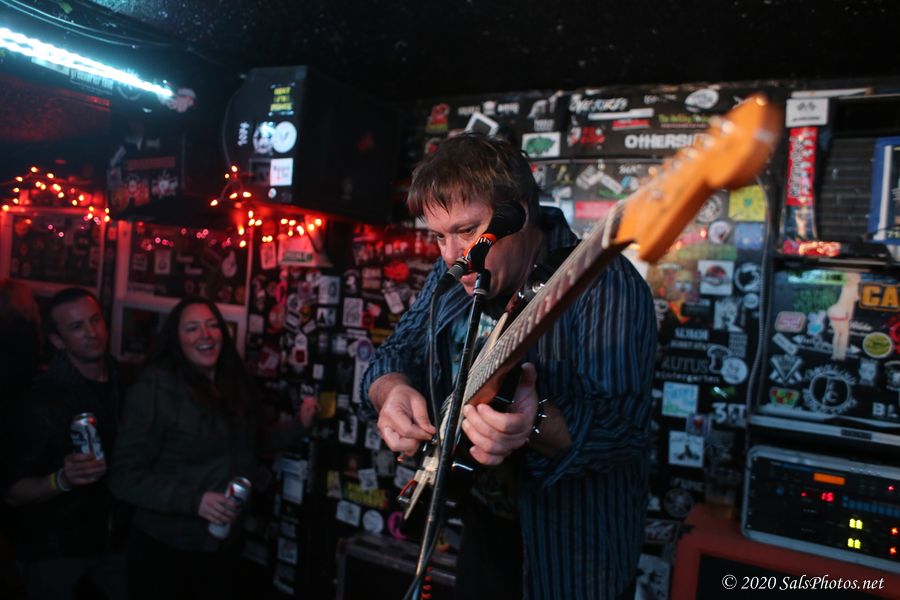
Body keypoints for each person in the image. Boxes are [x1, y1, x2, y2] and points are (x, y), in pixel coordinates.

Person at [361, 133, 657, 600]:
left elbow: (625, 431)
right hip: (482, 528)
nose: (451, 255)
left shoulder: (601, 282)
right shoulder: (455, 272)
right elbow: (395, 353)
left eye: (466, 231)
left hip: (574, 551)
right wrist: (391, 390)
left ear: (517, 214)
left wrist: (533, 421)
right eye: (438, 236)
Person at [110, 296, 316, 600]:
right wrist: (196, 501)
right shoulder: (154, 388)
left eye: (212, 325)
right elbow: (123, 478)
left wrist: (299, 425)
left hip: (223, 546)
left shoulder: (232, 381)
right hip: (167, 549)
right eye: (192, 328)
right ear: (176, 338)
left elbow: (252, 444)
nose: (205, 335)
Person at [1, 287, 126, 600]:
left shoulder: (127, 382)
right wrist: (62, 479)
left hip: (117, 541)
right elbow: (13, 491)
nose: (91, 332)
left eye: (95, 320)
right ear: (57, 341)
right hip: (56, 549)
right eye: (77, 327)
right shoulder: (41, 400)